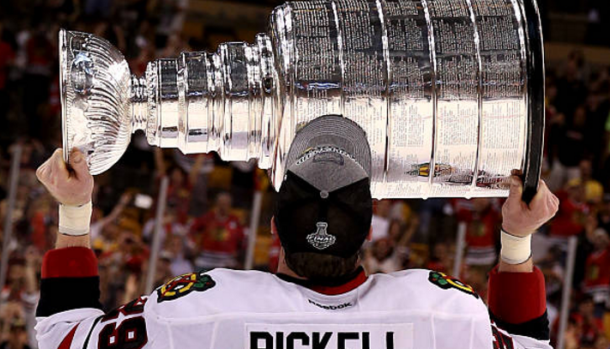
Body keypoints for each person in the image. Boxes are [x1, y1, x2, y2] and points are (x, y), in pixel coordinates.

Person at [35, 115, 559, 348]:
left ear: (273, 231)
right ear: (369, 233)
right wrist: (516, 240)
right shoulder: (439, 312)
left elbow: (62, 337)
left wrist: (75, 209)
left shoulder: (199, 310)